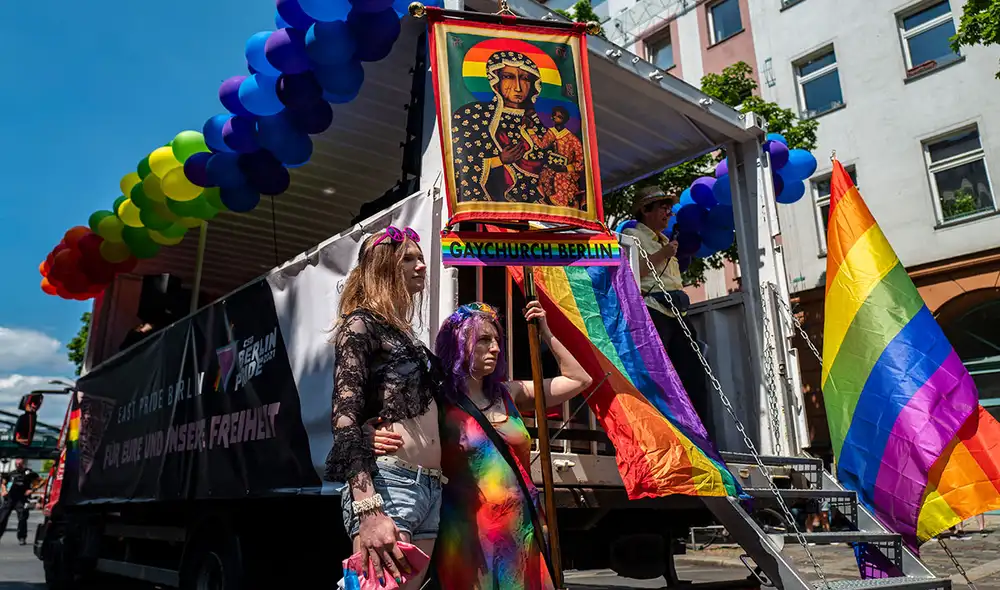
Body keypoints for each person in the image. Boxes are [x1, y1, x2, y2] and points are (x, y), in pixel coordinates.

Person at [375, 301, 592, 589]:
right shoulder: (437, 402)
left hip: (522, 533)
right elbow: (386, 424)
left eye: (497, 340)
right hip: (468, 543)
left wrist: (545, 331)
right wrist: (368, 433)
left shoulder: (510, 393)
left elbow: (579, 379)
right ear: (459, 343)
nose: (496, 348)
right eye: (484, 340)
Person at [325, 225, 443, 589]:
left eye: (420, 257)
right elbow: (344, 416)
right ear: (381, 267)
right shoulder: (360, 325)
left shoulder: (405, 334)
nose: (421, 265)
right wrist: (368, 509)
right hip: (388, 484)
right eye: (408, 259)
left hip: (429, 488)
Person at [622, 186, 710, 427]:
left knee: (693, 374)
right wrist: (663, 254)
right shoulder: (632, 236)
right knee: (657, 375)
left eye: (669, 208)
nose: (668, 213)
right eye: (662, 207)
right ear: (645, 209)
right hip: (652, 311)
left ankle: (698, 430)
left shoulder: (664, 240)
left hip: (676, 312)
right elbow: (632, 274)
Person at [452, 50, 549, 203]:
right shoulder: (473, 115)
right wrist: (499, 160)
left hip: (535, 216)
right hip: (487, 215)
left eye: (524, 78)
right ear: (495, 81)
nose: (517, 87)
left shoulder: (539, 126)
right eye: (508, 77)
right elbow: (462, 163)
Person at [534, 105, 585, 208]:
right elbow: (542, 144)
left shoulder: (572, 139)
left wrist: (566, 168)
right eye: (554, 116)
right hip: (551, 167)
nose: (555, 118)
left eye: (559, 116)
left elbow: (580, 161)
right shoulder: (551, 132)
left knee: (563, 185)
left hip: (565, 172)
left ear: (564, 119)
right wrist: (530, 132)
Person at [0, 459, 40, 545]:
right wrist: (3, 491)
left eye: (20, 464)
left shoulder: (29, 473)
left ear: (23, 464)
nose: (18, 465)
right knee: (2, 518)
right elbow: (3, 483)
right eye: (16, 464)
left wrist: (32, 490)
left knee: (22, 518)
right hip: (10, 498)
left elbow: (40, 481)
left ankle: (22, 537)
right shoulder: (11, 473)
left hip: (21, 499)